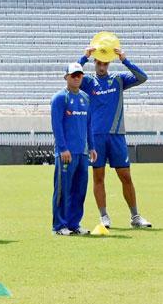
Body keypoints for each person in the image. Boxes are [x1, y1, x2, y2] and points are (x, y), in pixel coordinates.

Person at [78, 46, 152, 228]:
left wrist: (125, 60)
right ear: (95, 63)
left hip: (117, 136)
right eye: (99, 63)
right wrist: (85, 56)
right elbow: (72, 76)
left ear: (109, 63)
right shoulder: (88, 82)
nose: (102, 66)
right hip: (95, 137)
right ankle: (104, 216)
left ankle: (135, 217)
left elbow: (142, 77)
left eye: (105, 63)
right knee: (98, 177)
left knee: (125, 176)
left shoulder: (118, 80)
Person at [51, 63, 97, 235]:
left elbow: (89, 124)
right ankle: (59, 225)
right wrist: (63, 148)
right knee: (63, 189)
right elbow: (57, 125)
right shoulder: (59, 98)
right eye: (73, 75)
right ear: (66, 77)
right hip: (66, 153)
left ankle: (74, 224)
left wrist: (91, 146)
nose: (77, 78)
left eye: (79, 75)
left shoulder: (85, 98)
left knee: (79, 189)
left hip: (82, 153)